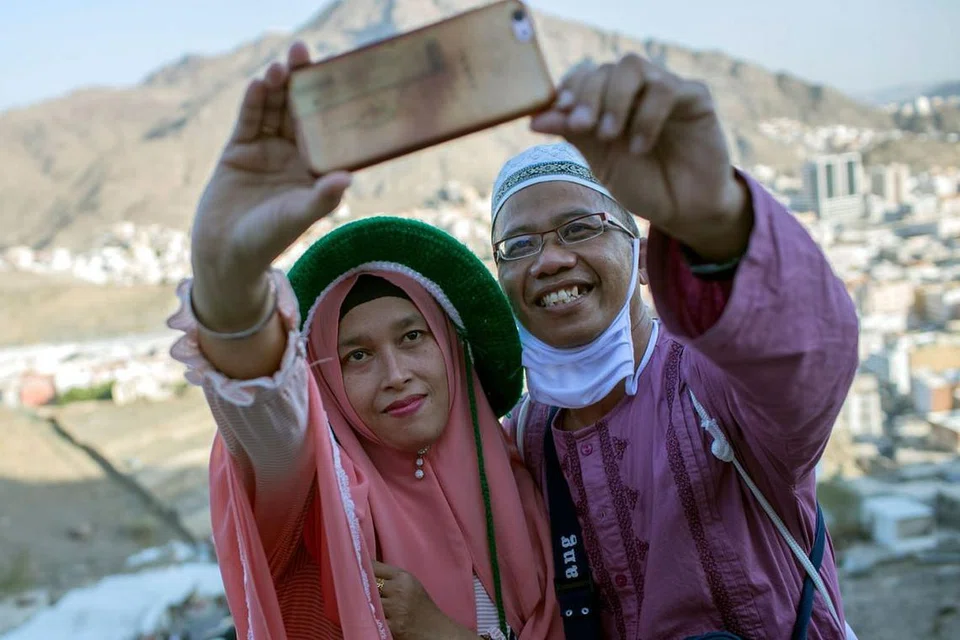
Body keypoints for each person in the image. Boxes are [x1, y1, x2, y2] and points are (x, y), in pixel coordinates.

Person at [167, 41, 563, 640]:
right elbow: (267, 424)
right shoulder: (324, 501)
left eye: (413, 336)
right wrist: (227, 282)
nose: (396, 372)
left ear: (454, 350)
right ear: (324, 381)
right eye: (356, 355)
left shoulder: (527, 475)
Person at [490, 55, 861, 639]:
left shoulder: (711, 382)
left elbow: (810, 359)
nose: (550, 260)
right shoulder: (525, 437)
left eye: (580, 228)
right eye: (518, 245)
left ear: (641, 257)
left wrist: (716, 217)